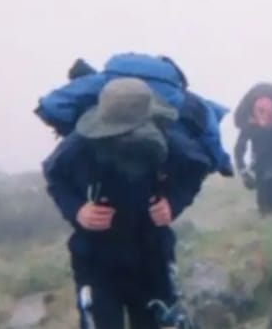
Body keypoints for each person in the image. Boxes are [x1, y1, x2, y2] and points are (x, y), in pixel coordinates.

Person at [43, 77, 212, 329]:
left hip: (151, 254)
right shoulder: (81, 144)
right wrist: (78, 210)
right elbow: (54, 175)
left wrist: (173, 203)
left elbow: (197, 167)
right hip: (96, 260)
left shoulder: (168, 139)